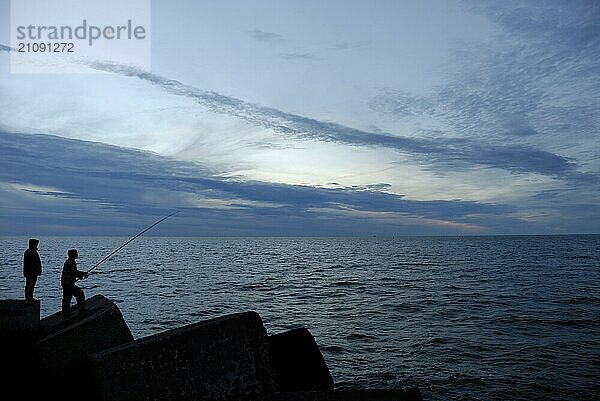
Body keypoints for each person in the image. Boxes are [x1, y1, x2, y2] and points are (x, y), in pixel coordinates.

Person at [61, 249, 88, 318]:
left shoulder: (68, 261)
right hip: (68, 284)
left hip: (66, 283)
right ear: (73, 255)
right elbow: (74, 272)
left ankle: (65, 314)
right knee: (80, 294)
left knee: (66, 298)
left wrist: (80, 275)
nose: (77, 255)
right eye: (76, 253)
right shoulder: (71, 262)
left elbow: (73, 273)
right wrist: (83, 274)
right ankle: (81, 310)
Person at [23, 238, 43, 304]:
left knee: (32, 286)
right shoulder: (29, 252)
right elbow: (29, 264)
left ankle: (30, 297)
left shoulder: (34, 252)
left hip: (34, 272)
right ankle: (28, 298)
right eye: (35, 244)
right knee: (29, 285)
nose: (37, 245)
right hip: (30, 273)